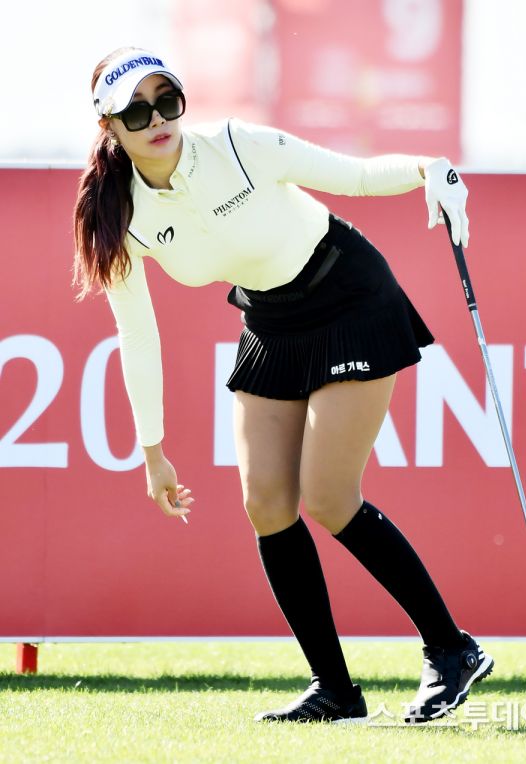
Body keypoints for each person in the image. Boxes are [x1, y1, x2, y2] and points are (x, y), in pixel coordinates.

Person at [73, 47, 494, 724]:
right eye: (137, 111)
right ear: (110, 127)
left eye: (167, 102)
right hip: (271, 319)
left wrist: (429, 169)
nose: (158, 121)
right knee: (267, 502)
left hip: (349, 294)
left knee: (328, 497)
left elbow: (356, 175)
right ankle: (336, 691)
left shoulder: (238, 143)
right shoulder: (116, 213)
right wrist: (153, 451)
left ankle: (452, 649)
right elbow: (138, 336)